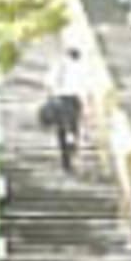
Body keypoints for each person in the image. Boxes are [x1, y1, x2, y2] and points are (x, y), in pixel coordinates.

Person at [46, 45, 91, 173]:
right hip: (74, 100)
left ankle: (65, 159)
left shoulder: (59, 65)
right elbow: (85, 88)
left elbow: (48, 83)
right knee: (74, 125)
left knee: (61, 129)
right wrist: (87, 106)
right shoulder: (81, 67)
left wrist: (51, 96)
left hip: (59, 99)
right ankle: (72, 144)